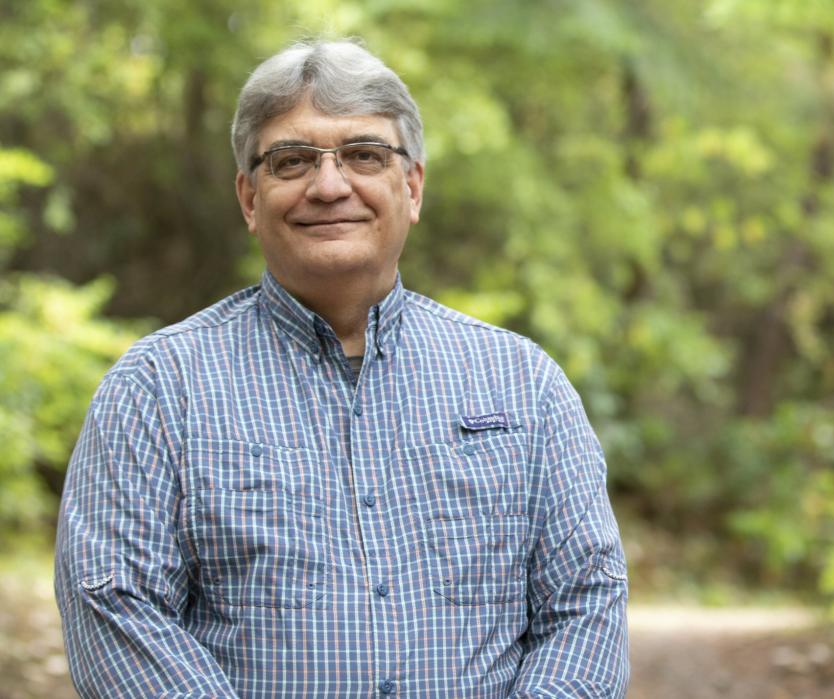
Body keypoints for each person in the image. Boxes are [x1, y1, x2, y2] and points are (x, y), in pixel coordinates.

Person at [54, 38, 630, 698]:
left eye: (364, 155)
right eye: (292, 161)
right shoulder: (157, 388)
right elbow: (114, 604)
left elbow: (586, 600)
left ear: (411, 185)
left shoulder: (523, 383)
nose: (330, 187)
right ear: (249, 197)